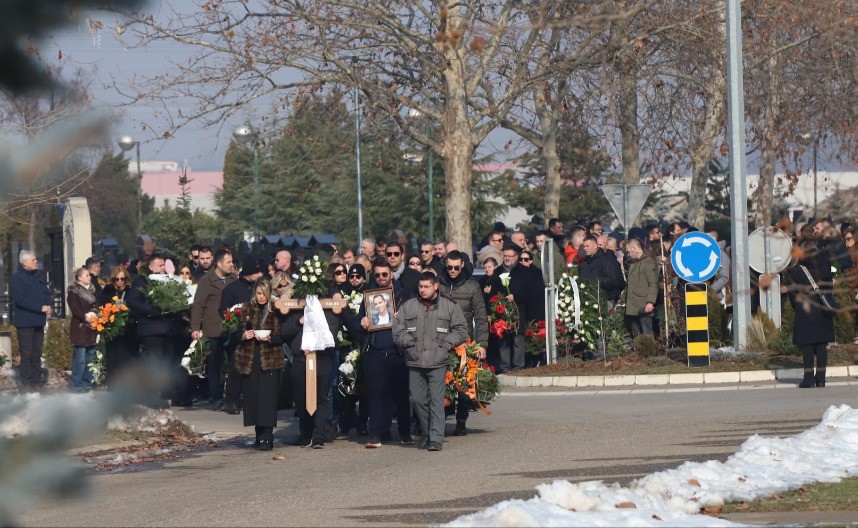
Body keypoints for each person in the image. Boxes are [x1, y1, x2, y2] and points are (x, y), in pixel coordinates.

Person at [393, 272, 468, 451]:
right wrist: (408, 344)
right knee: (417, 400)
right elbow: (397, 328)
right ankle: (426, 432)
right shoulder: (409, 306)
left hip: (438, 360)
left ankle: (435, 439)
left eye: (427, 286)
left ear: (436, 287)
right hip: (415, 360)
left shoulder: (449, 306)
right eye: (421, 286)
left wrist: (447, 344)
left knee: (436, 400)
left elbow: (461, 329)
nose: (423, 290)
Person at [351, 260, 414, 448]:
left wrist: (402, 318)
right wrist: (360, 322)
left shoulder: (404, 294)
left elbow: (415, 321)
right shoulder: (369, 295)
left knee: (401, 395)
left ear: (391, 275)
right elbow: (357, 324)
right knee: (376, 394)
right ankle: (375, 434)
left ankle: (405, 433)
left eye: (384, 274)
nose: (381, 278)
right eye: (377, 275)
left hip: (398, 351)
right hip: (375, 352)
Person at [438, 250, 488, 436]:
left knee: (464, 384)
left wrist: (482, 344)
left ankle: (461, 421)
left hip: (463, 342)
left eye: (456, 268)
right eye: (449, 267)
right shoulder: (439, 284)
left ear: (462, 266)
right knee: (438, 383)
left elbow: (481, 318)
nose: (452, 270)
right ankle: (435, 421)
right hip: (441, 340)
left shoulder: (472, 286)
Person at [235, 279, 285, 450]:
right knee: (253, 398)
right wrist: (243, 335)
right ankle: (258, 435)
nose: (261, 297)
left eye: (264, 293)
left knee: (268, 399)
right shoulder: (247, 308)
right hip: (251, 358)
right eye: (258, 293)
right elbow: (235, 332)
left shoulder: (276, 309)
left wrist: (271, 338)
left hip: (270, 358)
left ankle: (267, 436)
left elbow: (282, 335)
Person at [786, 240, 837, 388]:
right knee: (822, 345)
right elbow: (830, 290)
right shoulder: (825, 270)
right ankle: (821, 378)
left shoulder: (795, 272)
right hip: (823, 311)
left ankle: (808, 378)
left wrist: (799, 308)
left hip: (805, 312)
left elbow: (792, 295)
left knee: (807, 346)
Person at [190, 248, 236, 410]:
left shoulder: (233, 279)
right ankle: (216, 397)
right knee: (214, 365)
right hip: (213, 330)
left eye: (232, 262)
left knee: (234, 364)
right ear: (219, 263)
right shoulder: (206, 281)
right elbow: (198, 306)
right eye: (229, 262)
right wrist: (195, 327)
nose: (232, 265)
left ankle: (233, 397)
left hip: (231, 328)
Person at [219, 255, 265, 414]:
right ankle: (232, 400)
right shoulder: (232, 289)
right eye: (257, 272)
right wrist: (236, 326)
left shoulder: (259, 287)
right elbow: (223, 311)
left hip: (257, 333)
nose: (260, 275)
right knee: (237, 369)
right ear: (249, 272)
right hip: (239, 335)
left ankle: (251, 401)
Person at [9, 250, 52, 391]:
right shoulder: (17, 278)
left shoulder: (38, 277)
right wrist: (39, 308)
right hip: (25, 322)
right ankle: (26, 384)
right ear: (24, 262)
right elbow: (20, 299)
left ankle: (36, 382)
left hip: (38, 321)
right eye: (33, 260)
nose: (36, 262)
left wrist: (48, 305)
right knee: (26, 354)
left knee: (37, 354)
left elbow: (46, 292)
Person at [99, 266, 137, 387]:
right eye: (117, 279)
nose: (120, 281)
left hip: (128, 330)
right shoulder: (108, 290)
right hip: (112, 330)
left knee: (126, 358)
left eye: (123, 279)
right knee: (113, 358)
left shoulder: (131, 290)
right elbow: (101, 305)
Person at [66, 267, 99, 392]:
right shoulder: (73, 292)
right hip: (80, 328)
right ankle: (76, 384)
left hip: (92, 328)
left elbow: (97, 305)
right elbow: (75, 309)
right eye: (86, 275)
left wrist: (94, 313)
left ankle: (87, 382)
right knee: (80, 358)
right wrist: (86, 316)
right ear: (79, 278)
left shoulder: (92, 291)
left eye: (89, 275)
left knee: (90, 357)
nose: (89, 277)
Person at [620, 239, 658, 337]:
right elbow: (628, 285)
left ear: (633, 248)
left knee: (647, 332)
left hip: (644, 306)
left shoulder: (649, 262)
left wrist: (650, 302)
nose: (628, 255)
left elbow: (653, 284)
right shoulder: (633, 264)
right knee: (635, 333)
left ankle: (649, 351)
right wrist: (621, 301)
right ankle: (638, 351)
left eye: (628, 252)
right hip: (632, 306)